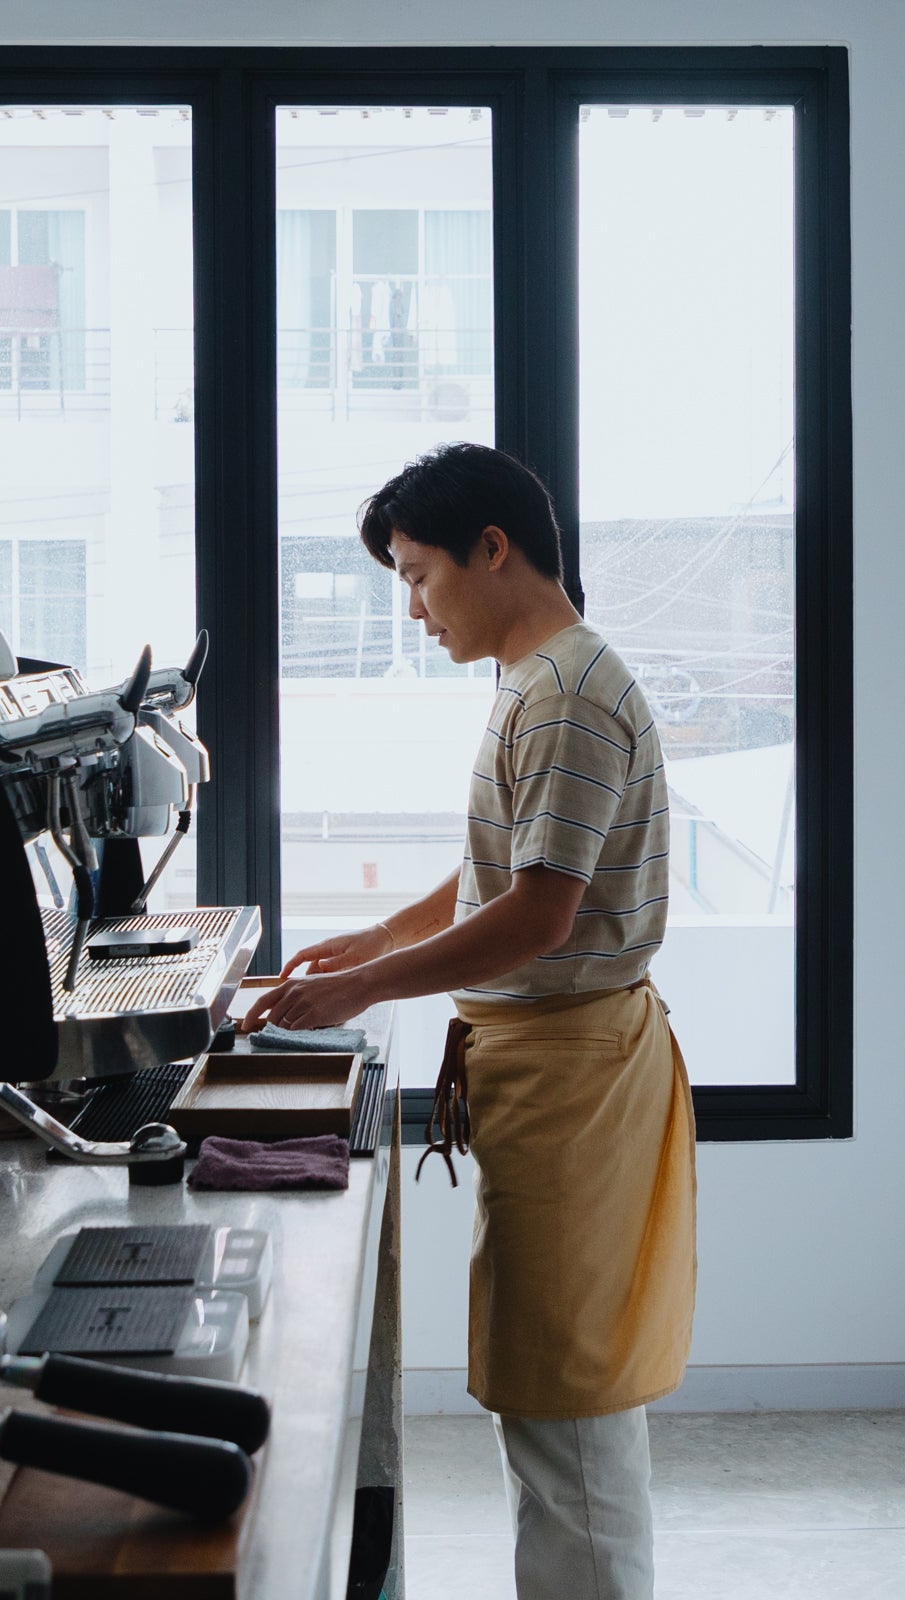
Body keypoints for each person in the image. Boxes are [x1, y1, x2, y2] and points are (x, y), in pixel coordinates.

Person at [243, 442, 695, 1600]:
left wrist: (359, 991)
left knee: (571, 1411)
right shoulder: (535, 681)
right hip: (554, 1066)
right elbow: (499, 875)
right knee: (558, 1403)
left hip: (574, 1072)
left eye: (417, 571)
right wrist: (378, 940)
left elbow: (539, 917)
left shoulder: (571, 698)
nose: (412, 605)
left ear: (494, 550)